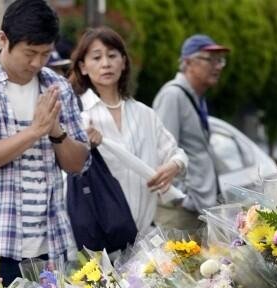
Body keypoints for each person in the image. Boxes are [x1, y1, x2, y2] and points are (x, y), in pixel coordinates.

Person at [0, 0, 90, 286]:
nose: (37, 63)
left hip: (50, 245)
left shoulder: (56, 87)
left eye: (45, 54)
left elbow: (78, 164)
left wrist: (56, 131)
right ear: (3, 39)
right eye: (30, 53)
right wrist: (35, 130)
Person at [70, 27, 188, 235]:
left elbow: (177, 153)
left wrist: (174, 166)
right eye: (96, 57)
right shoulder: (78, 114)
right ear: (83, 67)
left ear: (124, 62)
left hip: (143, 238)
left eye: (112, 55)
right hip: (98, 241)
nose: (105, 63)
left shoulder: (144, 114)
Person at [152, 34, 229, 230]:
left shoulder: (196, 97)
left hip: (197, 207)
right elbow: (162, 152)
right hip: (180, 210)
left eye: (220, 60)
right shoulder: (173, 95)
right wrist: (182, 198)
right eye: (210, 59)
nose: (218, 66)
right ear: (188, 62)